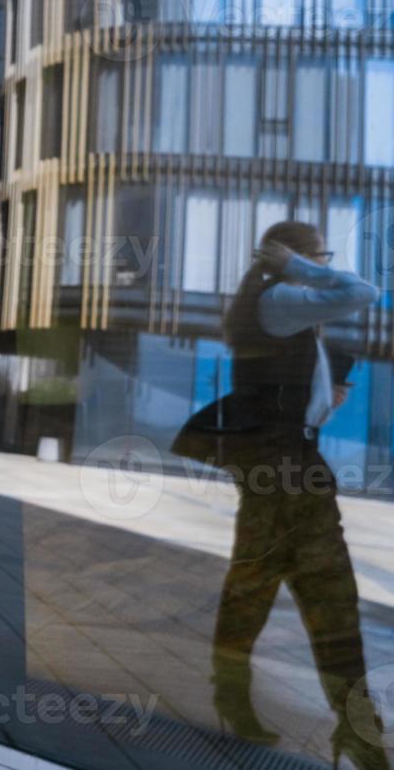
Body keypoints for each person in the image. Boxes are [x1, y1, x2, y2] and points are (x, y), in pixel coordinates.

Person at [209, 220, 386, 770]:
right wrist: (295, 264)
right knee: (328, 597)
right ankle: (358, 732)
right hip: (287, 470)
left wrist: (322, 396)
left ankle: (234, 698)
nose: (326, 266)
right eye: (320, 256)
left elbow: (289, 387)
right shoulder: (282, 295)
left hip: (281, 462)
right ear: (295, 258)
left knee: (255, 587)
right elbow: (362, 292)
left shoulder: (276, 306)